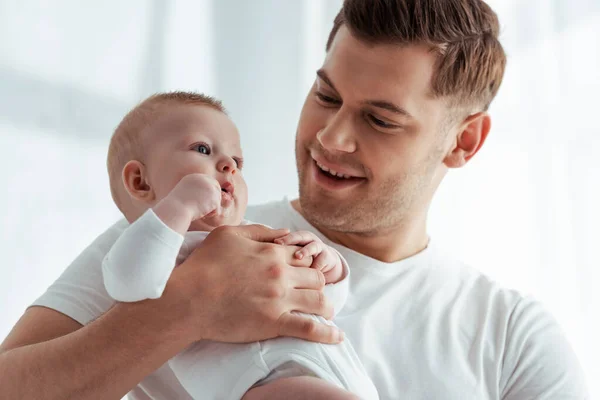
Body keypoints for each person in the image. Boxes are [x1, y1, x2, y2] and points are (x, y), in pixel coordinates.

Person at [0, 0, 589, 399]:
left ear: (463, 141)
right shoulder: (180, 234)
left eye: (380, 120)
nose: (330, 138)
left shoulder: (514, 338)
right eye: (325, 95)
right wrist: (188, 308)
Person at [100, 91, 377, 399]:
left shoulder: (254, 234)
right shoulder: (154, 247)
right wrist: (178, 207)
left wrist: (327, 265)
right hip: (262, 382)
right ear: (141, 181)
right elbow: (129, 283)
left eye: (237, 162)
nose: (228, 166)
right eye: (203, 149)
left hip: (338, 374)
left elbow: (325, 304)